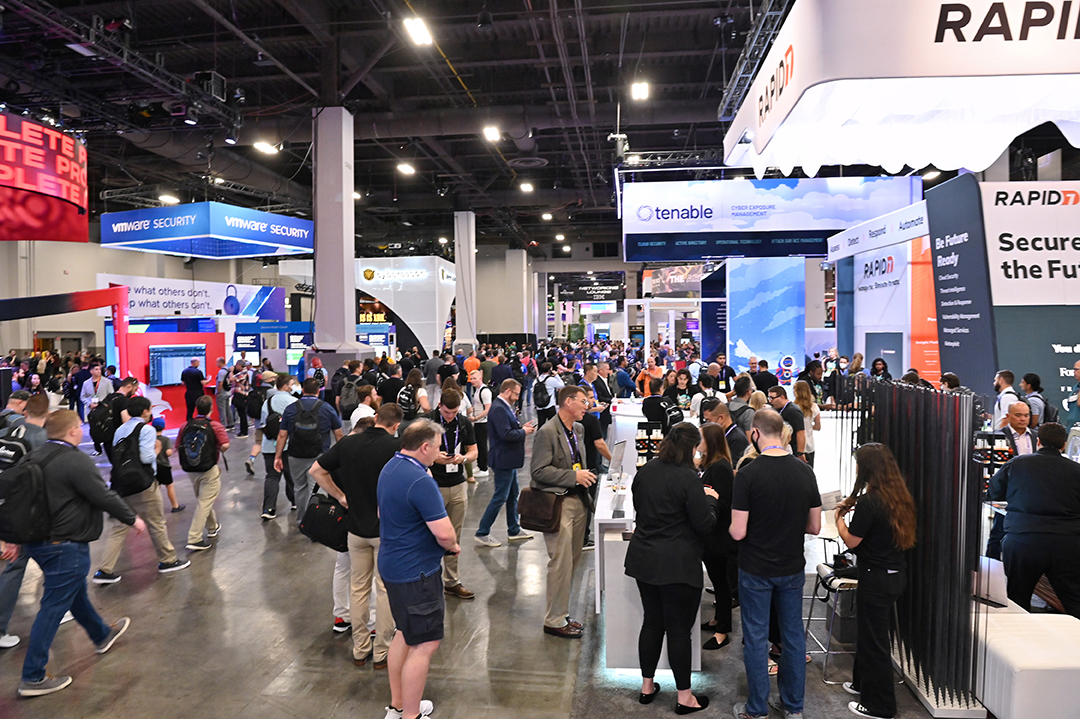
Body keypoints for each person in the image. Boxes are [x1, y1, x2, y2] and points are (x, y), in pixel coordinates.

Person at [12, 411, 146, 697]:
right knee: (53, 606)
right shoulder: (75, 460)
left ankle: (101, 634)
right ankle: (33, 676)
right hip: (66, 544)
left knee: (72, 592)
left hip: (38, 542)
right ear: (73, 431)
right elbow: (103, 495)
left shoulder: (33, 457)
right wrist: (132, 518)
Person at [730, 409, 822, 719]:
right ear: (782, 432)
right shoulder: (804, 471)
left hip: (755, 568)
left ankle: (756, 710)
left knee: (756, 638)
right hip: (792, 567)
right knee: (793, 637)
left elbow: (738, 531)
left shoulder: (748, 474)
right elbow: (815, 527)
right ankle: (793, 707)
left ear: (755, 433)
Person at [625, 422, 718, 711]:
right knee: (679, 630)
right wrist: (711, 501)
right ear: (691, 448)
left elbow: (639, 506)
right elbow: (705, 524)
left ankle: (647, 685)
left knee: (652, 623)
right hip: (677, 564)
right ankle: (684, 697)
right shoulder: (689, 478)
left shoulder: (647, 470)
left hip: (644, 559)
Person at [378, 420, 461, 719]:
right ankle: (411, 715)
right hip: (417, 574)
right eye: (437, 447)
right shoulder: (420, 481)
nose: (439, 453)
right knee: (425, 644)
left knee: (405, 632)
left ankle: (398, 705)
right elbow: (444, 533)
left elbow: (383, 512)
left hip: (393, 566)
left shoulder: (390, 467)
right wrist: (452, 544)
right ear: (424, 447)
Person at [310, 403, 403, 668]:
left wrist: (340, 496)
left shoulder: (349, 444)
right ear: (396, 425)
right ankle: (382, 650)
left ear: (376, 418)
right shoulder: (395, 448)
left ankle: (360, 648)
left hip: (355, 530)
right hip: (385, 530)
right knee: (384, 590)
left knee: (358, 587)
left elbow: (316, 470)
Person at [835, 443, 917, 719]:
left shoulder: (872, 501)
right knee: (869, 635)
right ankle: (861, 684)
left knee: (875, 642)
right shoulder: (898, 495)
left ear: (866, 467)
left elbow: (852, 542)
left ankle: (880, 706)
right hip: (894, 575)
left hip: (876, 578)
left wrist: (839, 520)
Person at [93, 397, 189, 584]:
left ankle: (105, 569)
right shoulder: (147, 429)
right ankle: (168, 560)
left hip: (121, 483)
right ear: (146, 411)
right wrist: (157, 448)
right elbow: (146, 458)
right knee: (156, 522)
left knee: (120, 526)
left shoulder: (121, 429)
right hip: (143, 483)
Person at [988, 422, 1080, 618]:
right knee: (1073, 599)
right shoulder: (1076, 470)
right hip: (1067, 542)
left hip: (1023, 539)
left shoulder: (1017, 463)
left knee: (1017, 598)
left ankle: (1016, 644)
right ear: (1064, 444)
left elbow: (994, 492)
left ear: (1038, 441)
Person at [530, 385, 595, 639]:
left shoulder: (578, 429)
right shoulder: (547, 432)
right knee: (560, 562)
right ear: (568, 402)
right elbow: (538, 472)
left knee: (572, 562)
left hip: (579, 501)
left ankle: (562, 613)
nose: (586, 405)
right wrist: (573, 476)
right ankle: (553, 619)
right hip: (558, 505)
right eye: (583, 401)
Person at [0, 393, 51, 650]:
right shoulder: (40, 439)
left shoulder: (12, 427)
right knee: (24, 563)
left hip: (5, 504)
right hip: (25, 514)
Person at [425, 389, 477, 600]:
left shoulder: (463, 423)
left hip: (457, 484)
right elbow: (413, 451)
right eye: (447, 412)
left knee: (453, 535)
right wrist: (434, 457)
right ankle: (427, 579)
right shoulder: (427, 423)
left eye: (454, 412)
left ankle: (451, 581)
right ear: (440, 406)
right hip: (432, 485)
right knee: (429, 534)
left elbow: (474, 451)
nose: (450, 416)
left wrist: (462, 459)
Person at [475, 379, 536, 547]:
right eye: (516, 394)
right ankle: (482, 531)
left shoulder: (503, 407)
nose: (517, 397)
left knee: (512, 494)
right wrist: (523, 432)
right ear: (508, 391)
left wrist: (521, 427)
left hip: (508, 460)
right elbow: (505, 434)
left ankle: (514, 529)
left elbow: (508, 429)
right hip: (503, 459)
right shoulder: (499, 408)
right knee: (500, 496)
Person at [275, 378, 343, 524]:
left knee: (299, 487)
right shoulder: (327, 408)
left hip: (295, 454)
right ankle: (316, 522)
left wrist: (278, 456)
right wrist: (340, 456)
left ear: (303, 390)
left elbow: (282, 435)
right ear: (318, 391)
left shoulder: (291, 408)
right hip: (320, 455)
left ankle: (302, 520)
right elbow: (339, 434)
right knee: (317, 487)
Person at [697, 423, 737, 652]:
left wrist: (708, 497)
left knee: (722, 583)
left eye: (700, 438)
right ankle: (717, 621)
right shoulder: (711, 464)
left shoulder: (720, 468)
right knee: (717, 580)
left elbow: (723, 503)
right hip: (712, 534)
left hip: (719, 536)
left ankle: (723, 630)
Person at [179, 395, 231, 552]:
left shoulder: (185, 426)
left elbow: (178, 445)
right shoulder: (215, 426)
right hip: (209, 468)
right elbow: (225, 445)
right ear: (211, 409)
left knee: (203, 500)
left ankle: (212, 526)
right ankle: (194, 538)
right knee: (204, 502)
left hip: (191, 469)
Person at [261, 374, 297, 520]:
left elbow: (263, 424)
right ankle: (295, 501)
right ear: (286, 386)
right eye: (292, 384)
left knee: (272, 476)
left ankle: (268, 509)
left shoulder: (267, 402)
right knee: (291, 475)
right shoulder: (294, 402)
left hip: (269, 445)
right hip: (288, 446)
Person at [151, 417, 184, 513]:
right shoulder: (165, 440)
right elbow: (168, 452)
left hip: (153, 466)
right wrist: (171, 451)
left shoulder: (150, 439)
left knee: (156, 487)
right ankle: (175, 505)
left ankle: (156, 508)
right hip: (164, 466)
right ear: (164, 427)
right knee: (169, 486)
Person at [767, 386, 807, 462]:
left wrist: (800, 452)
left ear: (782, 397)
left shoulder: (793, 411)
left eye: (772, 398)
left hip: (793, 450)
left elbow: (800, 432)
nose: (770, 401)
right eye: (769, 398)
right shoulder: (779, 409)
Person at [467, 370, 493, 478]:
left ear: (480, 378)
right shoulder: (477, 390)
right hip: (478, 422)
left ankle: (484, 468)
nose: (472, 381)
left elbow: (488, 408)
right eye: (471, 379)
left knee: (482, 445)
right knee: (478, 444)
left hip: (483, 422)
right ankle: (480, 464)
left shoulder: (485, 391)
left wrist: (476, 417)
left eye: (474, 379)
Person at [793, 380, 821, 467]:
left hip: (795, 445)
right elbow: (818, 426)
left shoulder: (793, 407)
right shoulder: (814, 407)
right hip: (809, 445)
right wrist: (808, 427)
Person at [535, 362, 565, 428]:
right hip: (550, 405)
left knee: (541, 424)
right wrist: (556, 375)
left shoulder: (536, 380)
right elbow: (562, 385)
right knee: (553, 425)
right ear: (550, 370)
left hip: (539, 406)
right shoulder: (551, 380)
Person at [230, 360, 251, 439]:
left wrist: (231, 371)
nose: (235, 367)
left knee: (242, 414)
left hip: (241, 396)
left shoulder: (243, 373)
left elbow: (232, 379)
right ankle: (243, 431)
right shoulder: (243, 373)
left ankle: (244, 432)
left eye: (236, 365)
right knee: (241, 414)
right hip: (240, 395)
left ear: (240, 365)